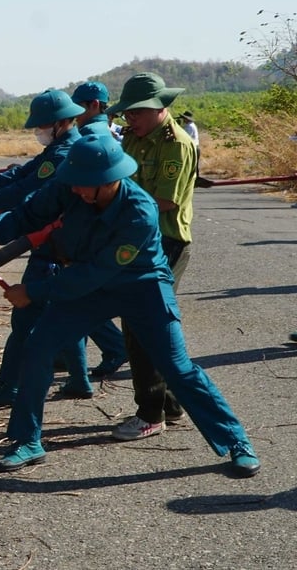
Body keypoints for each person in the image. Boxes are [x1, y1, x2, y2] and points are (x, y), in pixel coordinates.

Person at [0, 134, 260, 477]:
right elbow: (27, 215)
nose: (76, 191)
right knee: (37, 347)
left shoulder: (140, 209)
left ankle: (235, 442)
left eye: (84, 186)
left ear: (108, 181)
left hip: (142, 287)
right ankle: (27, 440)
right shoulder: (71, 185)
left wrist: (33, 291)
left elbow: (97, 272)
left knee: (176, 367)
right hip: (89, 286)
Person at [0, 89, 91, 407]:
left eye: (41, 126)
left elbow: (23, 193)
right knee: (67, 313)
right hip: (63, 245)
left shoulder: (63, 154)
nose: (37, 132)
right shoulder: (61, 146)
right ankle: (80, 380)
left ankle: (10, 388)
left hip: (53, 246)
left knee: (24, 318)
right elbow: (23, 172)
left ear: (59, 123)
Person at [107, 73, 196, 441]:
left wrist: (111, 207)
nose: (129, 121)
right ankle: (170, 403)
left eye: (135, 114)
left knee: (143, 324)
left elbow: (164, 201)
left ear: (159, 108)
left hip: (167, 242)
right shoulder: (132, 138)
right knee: (149, 324)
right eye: (126, 115)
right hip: (136, 240)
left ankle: (150, 413)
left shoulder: (177, 145)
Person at [69, 82, 129, 377]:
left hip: (91, 224)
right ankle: (67, 356)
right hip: (92, 222)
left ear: (94, 105)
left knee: (80, 293)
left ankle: (115, 346)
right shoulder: (103, 132)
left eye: (79, 105)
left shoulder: (93, 136)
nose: (74, 111)